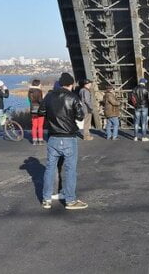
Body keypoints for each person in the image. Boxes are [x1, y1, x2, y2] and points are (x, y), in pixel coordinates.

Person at [39, 73, 87, 210]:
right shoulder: (73, 97)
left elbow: (41, 112)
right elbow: (80, 115)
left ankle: (46, 199)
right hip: (68, 137)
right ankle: (70, 200)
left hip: (53, 137)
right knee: (70, 169)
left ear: (60, 83)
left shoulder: (49, 96)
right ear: (71, 84)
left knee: (50, 168)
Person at [28, 79, 45, 145]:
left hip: (33, 110)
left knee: (34, 126)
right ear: (38, 84)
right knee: (40, 126)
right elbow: (40, 101)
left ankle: (34, 140)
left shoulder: (30, 91)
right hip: (40, 110)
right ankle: (40, 140)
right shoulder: (39, 91)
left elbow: (29, 100)